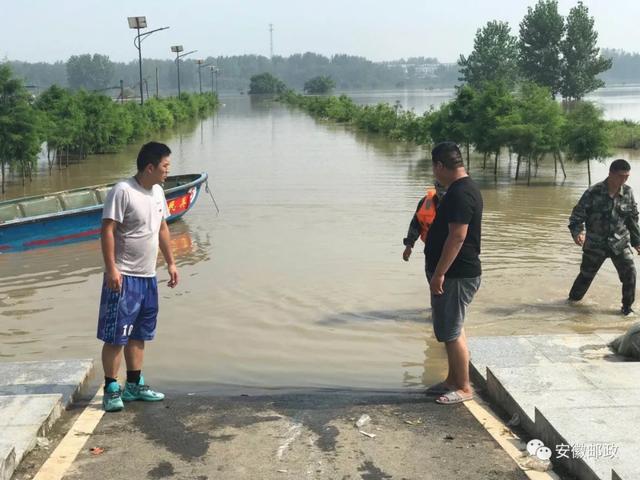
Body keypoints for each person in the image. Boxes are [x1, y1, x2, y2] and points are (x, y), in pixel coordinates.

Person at [97, 141, 179, 412]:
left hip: (147, 277)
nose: (168, 170)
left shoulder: (157, 191)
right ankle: (111, 387)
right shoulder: (123, 191)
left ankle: (134, 384)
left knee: (139, 333)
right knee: (116, 336)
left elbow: (163, 228)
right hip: (124, 276)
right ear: (150, 167)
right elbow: (108, 229)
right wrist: (111, 269)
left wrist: (171, 263)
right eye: (165, 166)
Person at [422, 142, 483, 405]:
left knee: (451, 331)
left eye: (434, 168)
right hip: (455, 273)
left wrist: (439, 274)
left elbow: (457, 237)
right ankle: (452, 379)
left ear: (439, 165)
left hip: (456, 274)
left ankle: (463, 387)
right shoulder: (462, 189)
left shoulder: (460, 194)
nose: (434, 174)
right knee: (453, 328)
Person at [568, 159, 640, 316]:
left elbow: (632, 219)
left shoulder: (628, 192)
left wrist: (637, 242)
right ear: (610, 174)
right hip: (595, 244)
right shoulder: (593, 192)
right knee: (585, 277)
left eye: (627, 176)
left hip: (620, 243)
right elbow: (577, 216)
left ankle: (627, 309)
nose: (624, 180)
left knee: (630, 273)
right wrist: (578, 232)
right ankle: (571, 305)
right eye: (621, 176)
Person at [402, 181, 446, 262]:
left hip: (453, 252)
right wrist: (409, 245)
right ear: (435, 187)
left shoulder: (459, 202)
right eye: (440, 186)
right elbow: (416, 224)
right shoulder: (426, 202)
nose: (442, 192)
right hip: (431, 250)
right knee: (432, 273)